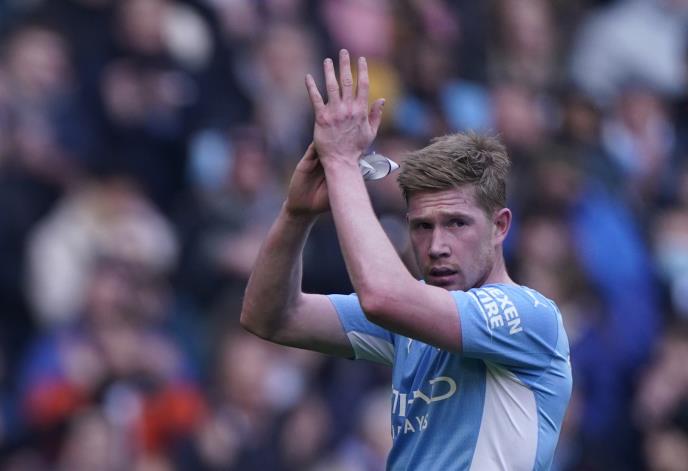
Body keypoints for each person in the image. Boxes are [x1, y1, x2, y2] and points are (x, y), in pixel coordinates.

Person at [241, 49, 572, 470]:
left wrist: (341, 164)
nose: (436, 246)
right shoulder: (411, 322)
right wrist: (296, 214)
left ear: (500, 226)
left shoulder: (527, 316)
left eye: (457, 223)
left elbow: (382, 296)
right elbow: (270, 317)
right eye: (422, 226)